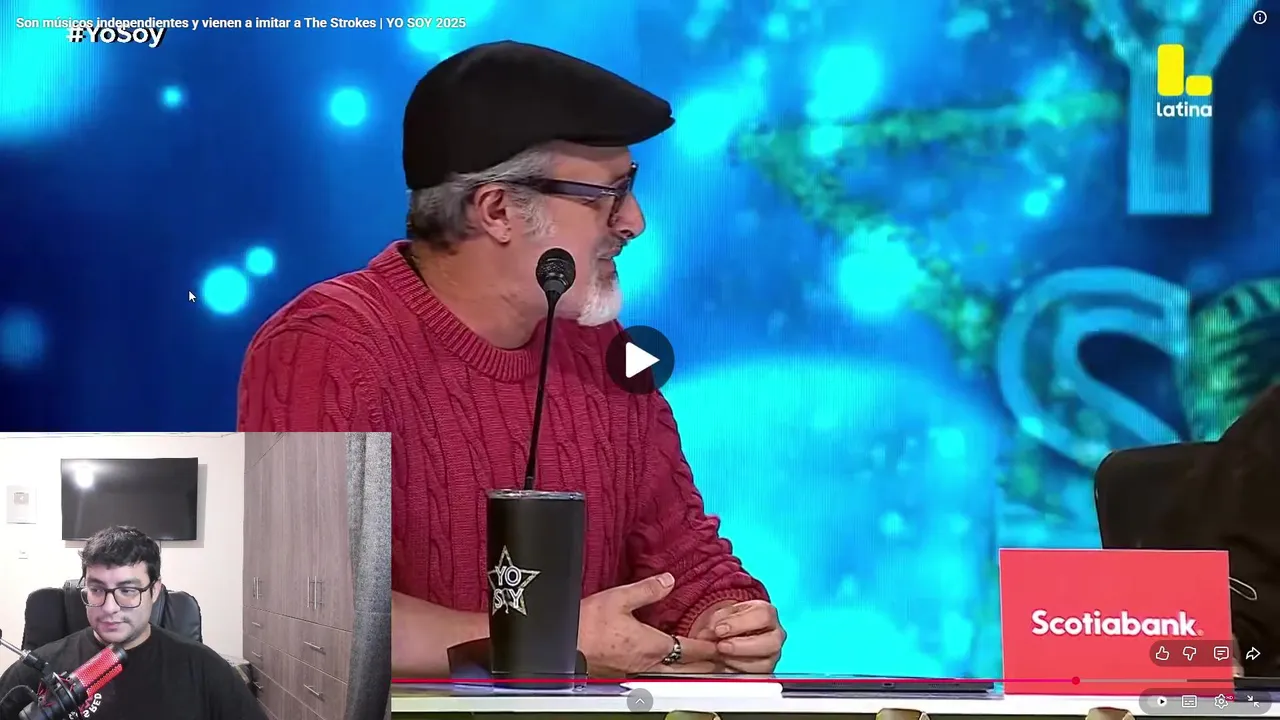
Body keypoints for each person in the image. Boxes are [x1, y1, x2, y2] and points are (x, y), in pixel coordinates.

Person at [237, 40, 786, 676]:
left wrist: (726, 618)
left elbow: (682, 555)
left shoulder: (605, 347)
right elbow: (301, 611)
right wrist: (544, 639)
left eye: (631, 187)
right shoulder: (327, 345)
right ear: (497, 210)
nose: (634, 221)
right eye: (607, 195)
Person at [0, 526, 264, 720]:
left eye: (128, 590)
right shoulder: (37, 669)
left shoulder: (204, 669)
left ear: (155, 591)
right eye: (96, 590)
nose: (109, 607)